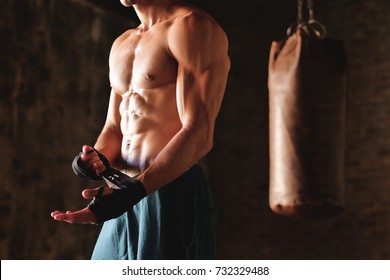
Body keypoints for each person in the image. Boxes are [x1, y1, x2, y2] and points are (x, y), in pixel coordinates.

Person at [51, 0, 230, 260]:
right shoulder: (123, 43)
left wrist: (132, 193)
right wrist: (95, 160)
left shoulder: (191, 26)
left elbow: (199, 133)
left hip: (171, 190)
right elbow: (114, 128)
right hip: (124, 193)